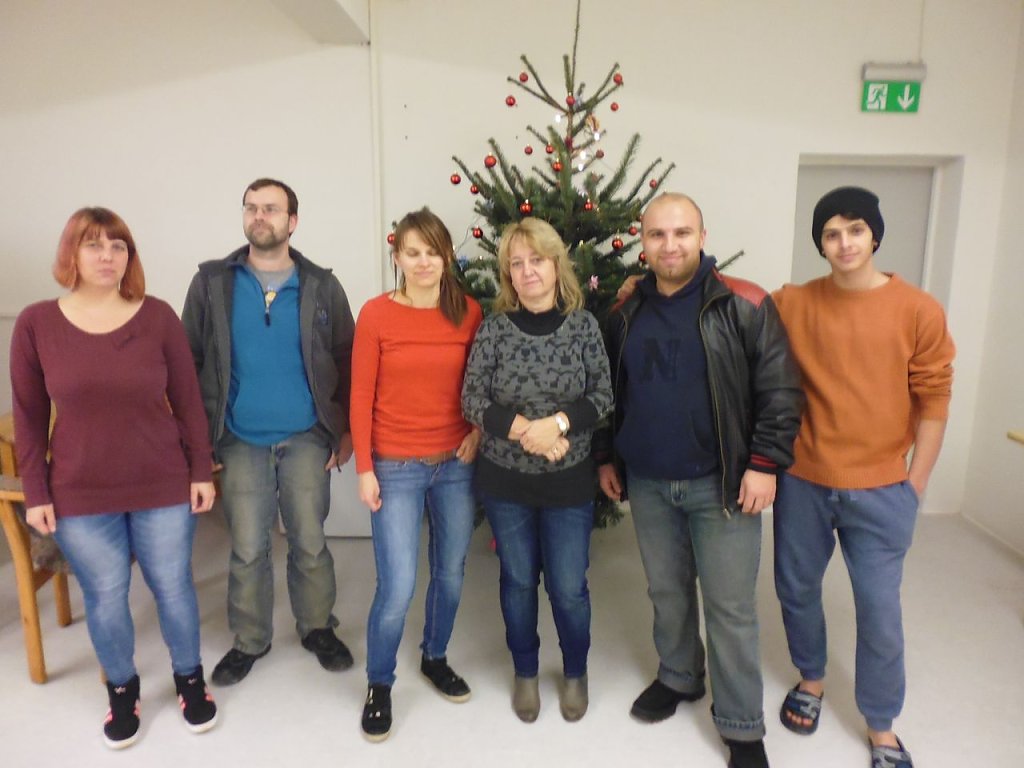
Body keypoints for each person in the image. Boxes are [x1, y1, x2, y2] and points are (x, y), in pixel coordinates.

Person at [596, 193, 802, 768]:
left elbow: (781, 391)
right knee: (666, 591)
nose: (670, 245)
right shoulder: (624, 312)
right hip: (649, 482)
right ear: (642, 242)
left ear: (702, 237)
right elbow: (609, 393)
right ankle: (680, 675)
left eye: (682, 233)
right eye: (658, 235)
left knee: (730, 607)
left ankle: (741, 726)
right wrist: (606, 457)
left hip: (724, 485)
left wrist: (764, 464)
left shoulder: (744, 303)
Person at [10, 207, 218, 749]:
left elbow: (188, 401)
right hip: (79, 491)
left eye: (118, 245)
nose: (108, 256)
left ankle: (189, 679)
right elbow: (28, 417)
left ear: (130, 255)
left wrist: (200, 469)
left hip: (162, 482)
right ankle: (122, 690)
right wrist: (36, 492)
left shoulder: (158, 316)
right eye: (94, 245)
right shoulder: (35, 323)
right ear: (71, 254)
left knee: (172, 586)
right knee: (105, 595)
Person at [772, 187, 954, 768]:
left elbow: (935, 400)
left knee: (879, 610)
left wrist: (914, 484)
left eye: (855, 229)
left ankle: (881, 725)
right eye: (831, 233)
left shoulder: (918, 309)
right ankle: (811, 679)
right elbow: (728, 303)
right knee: (796, 588)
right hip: (803, 479)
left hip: (882, 489)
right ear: (820, 244)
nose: (844, 242)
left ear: (874, 235)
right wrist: (641, 284)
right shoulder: (794, 303)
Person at [182, 178, 356, 686]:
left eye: (272, 209)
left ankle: (318, 628)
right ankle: (249, 639)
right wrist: (199, 441)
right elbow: (189, 360)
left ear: (292, 221)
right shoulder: (212, 283)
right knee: (247, 547)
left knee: (309, 541)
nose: (260, 216)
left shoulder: (321, 285)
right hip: (238, 438)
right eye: (252, 208)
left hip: (306, 436)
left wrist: (344, 430)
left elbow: (347, 357)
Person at [462, 217, 613, 724]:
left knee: (568, 587)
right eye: (517, 263)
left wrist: (559, 425)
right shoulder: (494, 329)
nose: (528, 271)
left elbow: (603, 395)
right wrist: (530, 430)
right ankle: (525, 671)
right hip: (506, 483)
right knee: (519, 581)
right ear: (508, 273)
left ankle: (575, 672)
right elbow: (472, 398)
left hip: (569, 484)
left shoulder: (584, 326)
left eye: (537, 260)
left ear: (556, 265)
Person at [350, 207, 484, 742]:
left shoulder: (468, 312)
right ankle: (379, 683)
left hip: (455, 464)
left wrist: (477, 431)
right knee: (398, 583)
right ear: (397, 257)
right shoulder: (377, 314)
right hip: (395, 465)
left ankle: (435, 656)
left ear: (447, 256)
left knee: (450, 573)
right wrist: (365, 468)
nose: (423, 262)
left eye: (433, 251)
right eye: (412, 252)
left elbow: (482, 382)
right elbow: (360, 394)